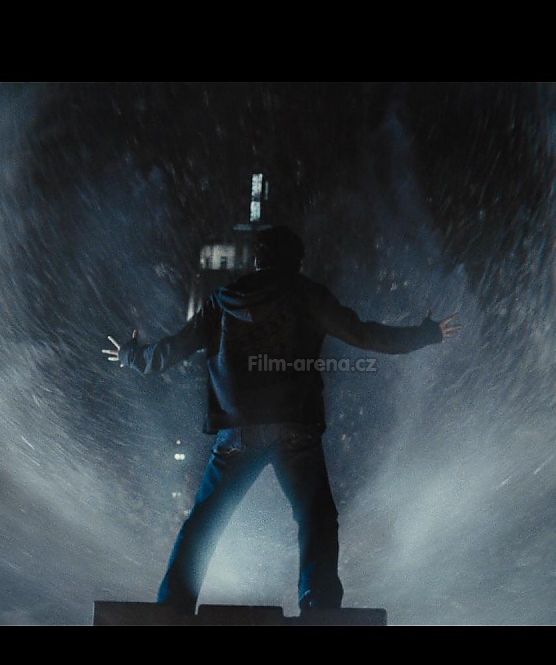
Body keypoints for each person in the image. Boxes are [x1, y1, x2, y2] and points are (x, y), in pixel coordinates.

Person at [103, 225, 460, 615]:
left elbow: (173, 350)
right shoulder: (308, 295)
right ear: (297, 261)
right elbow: (365, 335)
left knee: (205, 520)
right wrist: (426, 334)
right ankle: (319, 605)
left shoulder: (223, 300)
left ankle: (174, 604)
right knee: (316, 517)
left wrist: (130, 355)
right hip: (295, 428)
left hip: (238, 430)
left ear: (257, 259)